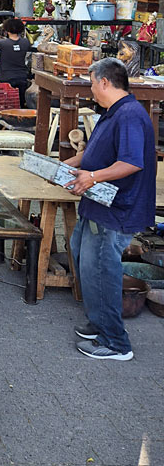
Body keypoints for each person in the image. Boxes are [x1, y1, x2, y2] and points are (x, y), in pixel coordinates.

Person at [64, 58, 156, 361]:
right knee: (81, 256)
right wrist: (67, 166)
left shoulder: (129, 114)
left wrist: (91, 176)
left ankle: (117, 343)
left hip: (117, 208)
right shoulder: (112, 112)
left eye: (92, 83)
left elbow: (130, 163)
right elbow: (95, 153)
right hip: (98, 204)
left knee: (101, 269)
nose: (91, 89)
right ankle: (99, 322)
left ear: (105, 82)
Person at [0, 17, 32, 107]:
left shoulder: (2, 43)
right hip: (21, 76)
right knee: (20, 103)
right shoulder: (25, 42)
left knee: (7, 103)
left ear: (7, 30)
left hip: (6, 77)